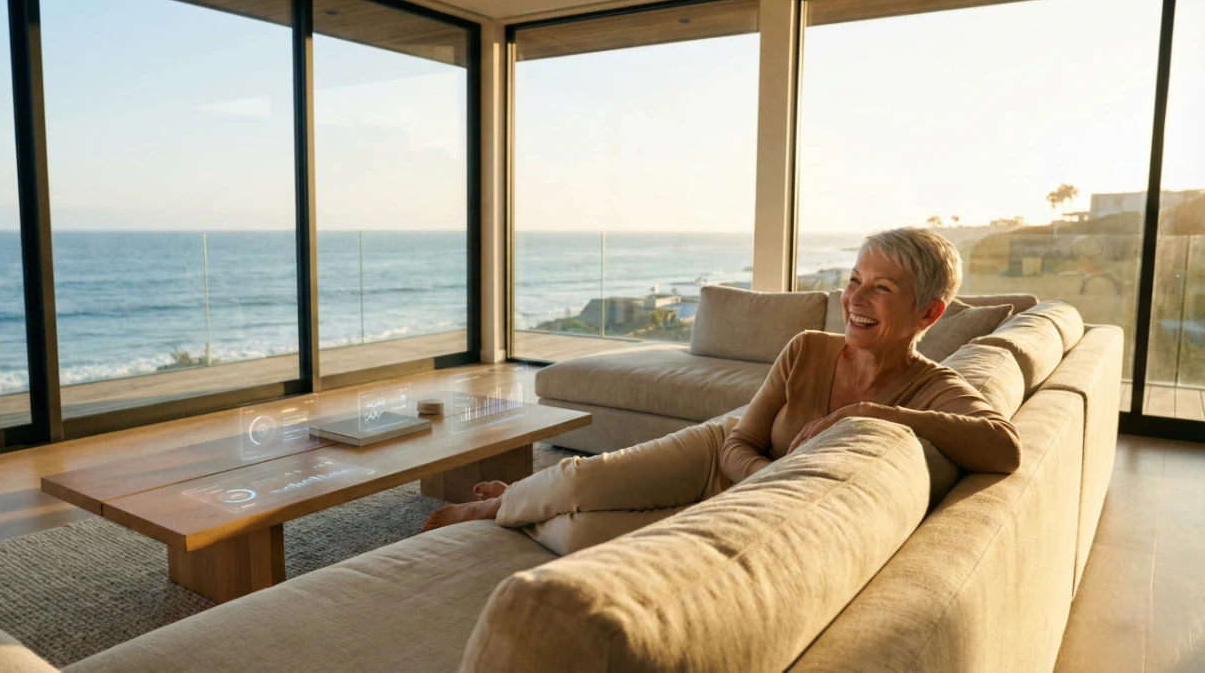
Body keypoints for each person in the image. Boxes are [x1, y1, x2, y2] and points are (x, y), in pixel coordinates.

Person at [421, 228, 1022, 552]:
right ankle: (497, 504)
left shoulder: (933, 387)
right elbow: (741, 439)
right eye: (854, 280)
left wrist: (871, 411)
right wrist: (757, 476)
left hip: (743, 501)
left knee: (583, 534)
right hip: (717, 455)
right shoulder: (809, 347)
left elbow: (1004, 446)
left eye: (881, 289)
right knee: (579, 479)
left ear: (929, 312)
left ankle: (527, 499)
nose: (855, 299)